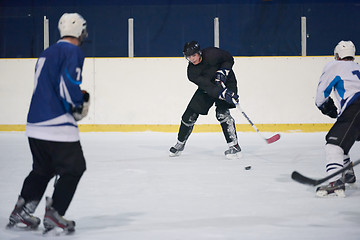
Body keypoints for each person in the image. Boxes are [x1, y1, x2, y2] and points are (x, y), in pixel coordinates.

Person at [6, 13, 89, 233]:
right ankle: (55, 212)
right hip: (57, 124)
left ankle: (22, 209)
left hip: (34, 123)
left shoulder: (47, 52)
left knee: (43, 169)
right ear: (81, 31)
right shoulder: (73, 51)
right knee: (75, 167)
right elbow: (68, 83)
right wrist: (79, 103)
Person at [170, 41, 241, 159]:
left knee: (222, 114)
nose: (192, 59)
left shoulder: (212, 53)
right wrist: (222, 94)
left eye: (194, 55)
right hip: (209, 88)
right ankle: (180, 143)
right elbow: (209, 87)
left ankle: (234, 146)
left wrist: (223, 71)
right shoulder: (192, 72)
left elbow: (229, 59)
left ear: (199, 53)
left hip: (227, 82)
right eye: (188, 57)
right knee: (189, 115)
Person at [315, 40, 360, 197]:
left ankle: (335, 182)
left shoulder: (334, 66)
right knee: (342, 140)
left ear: (337, 55)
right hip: (355, 110)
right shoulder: (357, 67)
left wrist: (328, 109)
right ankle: (347, 174)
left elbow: (320, 97)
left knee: (333, 145)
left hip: (356, 107)